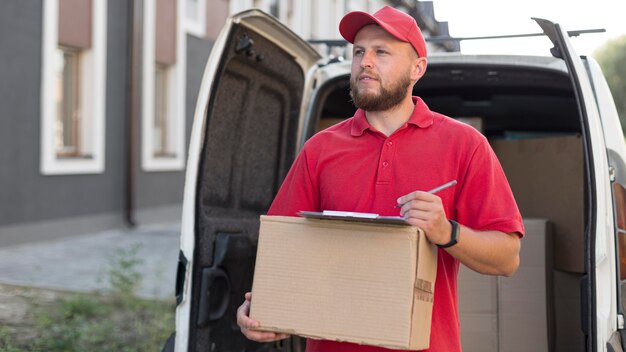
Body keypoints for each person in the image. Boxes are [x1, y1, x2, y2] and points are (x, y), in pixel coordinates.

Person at [237, 5, 524, 352]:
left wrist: (446, 232)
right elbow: (283, 253)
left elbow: (507, 258)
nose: (365, 62)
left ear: (417, 68)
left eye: (381, 52)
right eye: (358, 51)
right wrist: (263, 310)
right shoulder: (321, 149)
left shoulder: (464, 145)